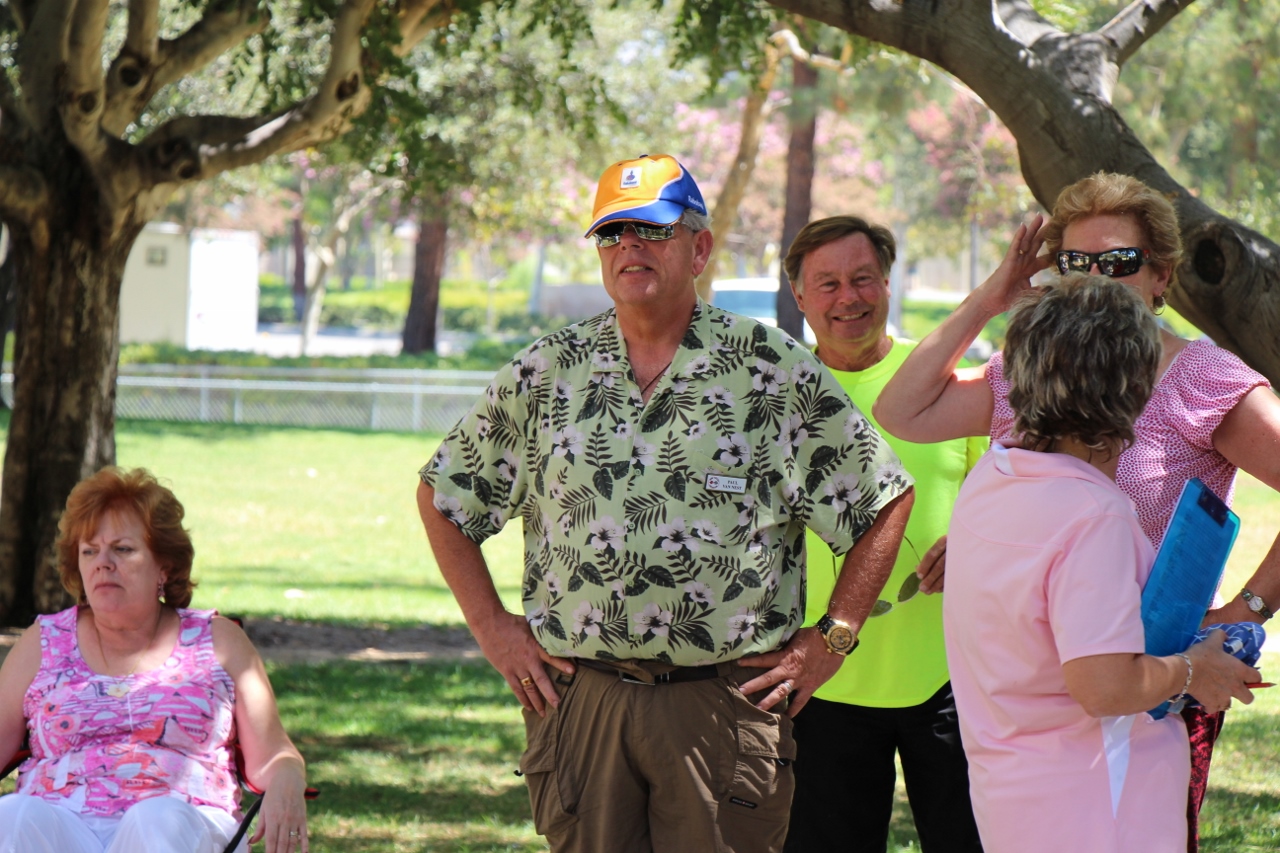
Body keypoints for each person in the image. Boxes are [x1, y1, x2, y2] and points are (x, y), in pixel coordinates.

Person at [416, 153, 915, 853]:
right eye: (613, 233)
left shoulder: (772, 372)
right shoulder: (547, 371)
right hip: (582, 700)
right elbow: (445, 497)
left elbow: (883, 500)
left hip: (724, 705)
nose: (630, 248)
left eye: (652, 230)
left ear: (700, 247)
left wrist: (832, 639)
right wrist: (493, 627)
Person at [873, 171, 1280, 851]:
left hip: (1154, 676)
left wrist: (1250, 609)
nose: (1092, 279)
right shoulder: (1032, 375)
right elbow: (901, 410)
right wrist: (993, 296)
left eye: (1116, 262)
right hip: (1040, 687)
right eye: (1074, 261)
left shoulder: (1204, 380)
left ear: (1162, 275)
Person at [943, 274, 1259, 853]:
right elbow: (1105, 687)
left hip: (1014, 796)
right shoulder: (1093, 514)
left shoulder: (994, 475)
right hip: (1097, 808)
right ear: (1131, 386)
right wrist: (1195, 669)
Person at [780, 215, 984, 852]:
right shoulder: (775, 396)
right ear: (800, 295)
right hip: (819, 683)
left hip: (953, 681)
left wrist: (975, 544)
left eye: (864, 279)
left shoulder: (948, 385)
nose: (849, 298)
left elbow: (1007, 502)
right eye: (830, 283)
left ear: (889, 285)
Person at [0, 468, 309, 853]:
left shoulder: (219, 641)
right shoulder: (43, 642)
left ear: (164, 565)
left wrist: (287, 780)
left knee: (154, 819)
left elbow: (276, 754)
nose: (103, 563)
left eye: (123, 549)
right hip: (60, 826)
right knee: (11, 815)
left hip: (183, 823)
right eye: (89, 551)